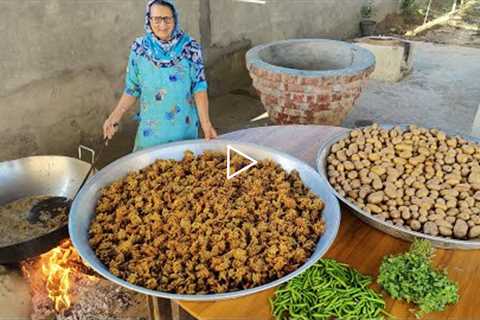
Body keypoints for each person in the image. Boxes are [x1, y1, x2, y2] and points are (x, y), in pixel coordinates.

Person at [103, 0, 217, 151]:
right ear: (148, 19)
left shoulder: (190, 47)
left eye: (167, 19)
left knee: (184, 169)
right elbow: (132, 88)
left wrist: (206, 124)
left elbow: (199, 86)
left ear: (175, 18)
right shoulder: (139, 49)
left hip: (183, 129)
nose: (162, 25)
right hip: (151, 133)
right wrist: (115, 116)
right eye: (157, 19)